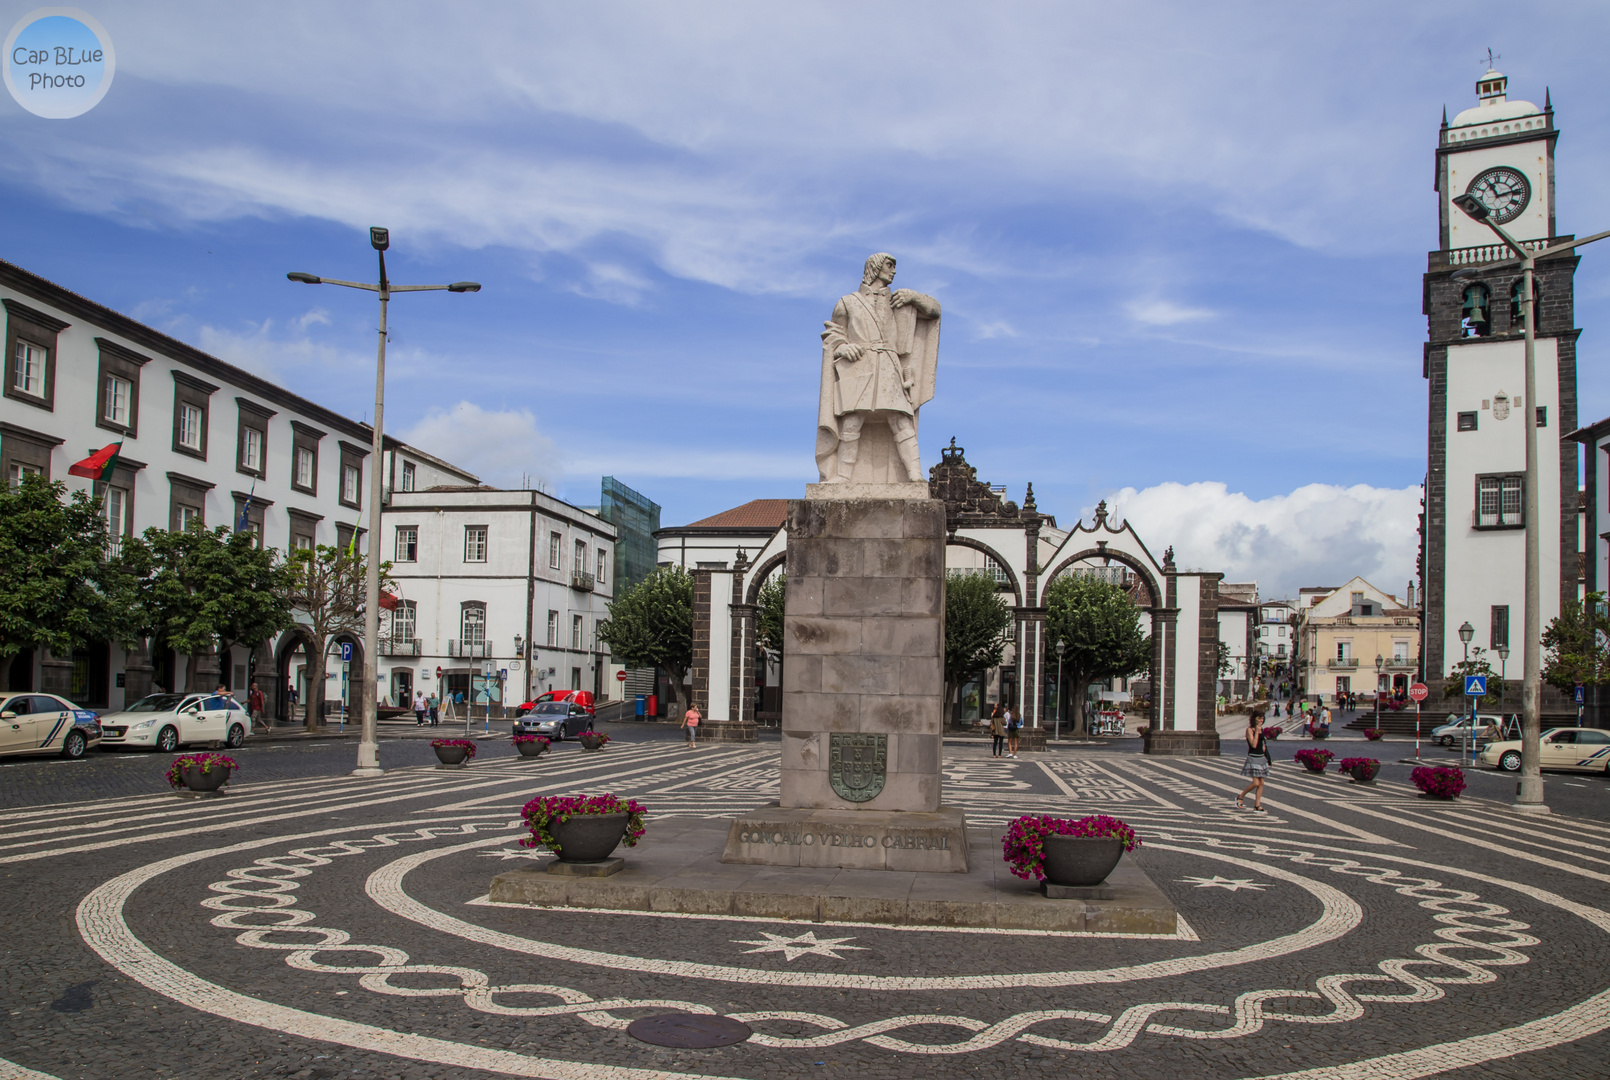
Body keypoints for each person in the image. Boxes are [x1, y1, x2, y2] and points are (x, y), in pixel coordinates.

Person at [1237, 711, 1271, 812]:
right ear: (1254, 719)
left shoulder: (1262, 730)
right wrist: (1256, 731)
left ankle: (1257, 805)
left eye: (1262, 718)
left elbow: (1262, 745)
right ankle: (1240, 797)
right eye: (1259, 718)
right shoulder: (1249, 730)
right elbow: (1253, 744)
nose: (1261, 720)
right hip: (1253, 758)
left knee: (1261, 782)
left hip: (1261, 758)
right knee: (1256, 783)